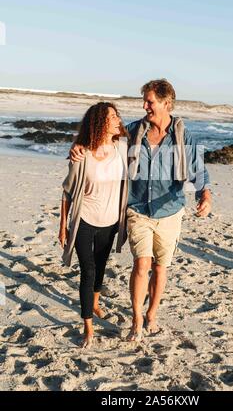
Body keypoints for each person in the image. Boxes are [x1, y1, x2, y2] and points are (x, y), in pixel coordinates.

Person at [70, 79, 212, 341]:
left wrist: (205, 194)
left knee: (160, 268)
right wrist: (79, 146)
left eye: (150, 101)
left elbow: (198, 169)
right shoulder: (134, 131)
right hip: (137, 210)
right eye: (144, 101)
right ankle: (137, 319)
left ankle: (152, 315)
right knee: (141, 263)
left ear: (166, 103)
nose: (144, 105)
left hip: (170, 210)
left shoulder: (183, 135)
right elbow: (101, 138)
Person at [59, 102, 128, 348]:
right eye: (112, 116)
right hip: (84, 219)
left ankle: (96, 303)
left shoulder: (122, 147)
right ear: (100, 122)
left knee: (100, 267)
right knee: (87, 272)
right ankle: (88, 327)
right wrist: (63, 227)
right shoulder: (82, 154)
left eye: (118, 115)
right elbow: (67, 191)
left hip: (110, 222)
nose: (118, 119)